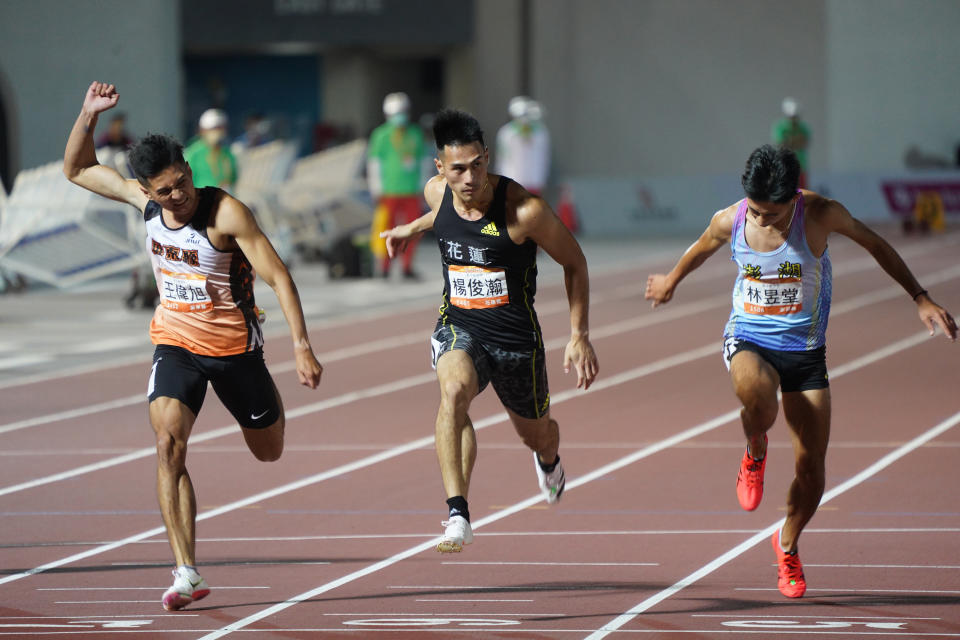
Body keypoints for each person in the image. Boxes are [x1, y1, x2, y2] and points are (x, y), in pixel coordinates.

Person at [645, 144, 956, 598]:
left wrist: (921, 297)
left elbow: (876, 244)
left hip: (806, 351)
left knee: (812, 472)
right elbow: (702, 248)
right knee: (757, 395)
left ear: (794, 198)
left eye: (773, 213)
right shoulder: (731, 219)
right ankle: (755, 447)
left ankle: (786, 542)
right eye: (757, 211)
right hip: (749, 337)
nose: (763, 220)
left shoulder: (821, 214)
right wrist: (671, 280)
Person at [63, 82, 323, 611]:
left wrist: (301, 346)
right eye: (165, 191)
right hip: (175, 344)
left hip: (235, 352)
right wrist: (88, 116)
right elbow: (77, 169)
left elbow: (279, 277)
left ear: (188, 166)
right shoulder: (145, 203)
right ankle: (186, 571)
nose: (177, 195)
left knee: (268, 450)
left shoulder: (226, 215)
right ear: (147, 190)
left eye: (182, 182)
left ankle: (266, 406)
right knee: (167, 446)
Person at [380, 109, 599, 552]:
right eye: (457, 169)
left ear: (487, 157)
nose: (469, 178)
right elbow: (444, 216)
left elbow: (574, 262)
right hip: (460, 325)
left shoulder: (525, 211)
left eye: (477, 164)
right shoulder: (435, 192)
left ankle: (549, 459)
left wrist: (578, 334)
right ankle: (457, 514)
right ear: (440, 168)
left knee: (536, 434)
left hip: (516, 340)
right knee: (454, 391)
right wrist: (410, 227)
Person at [367, 92, 428, 279]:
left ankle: (407, 266)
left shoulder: (415, 133)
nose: (399, 116)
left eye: (402, 112)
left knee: (413, 231)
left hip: (411, 191)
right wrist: (375, 187)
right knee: (386, 230)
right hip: (388, 192)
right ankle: (384, 267)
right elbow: (374, 164)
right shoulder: (381, 135)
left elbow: (424, 161)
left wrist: (424, 186)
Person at [495, 96, 551, 196]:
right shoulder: (507, 133)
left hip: (534, 180)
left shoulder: (540, 133)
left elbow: (544, 157)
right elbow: (503, 158)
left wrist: (541, 179)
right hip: (513, 179)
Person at [184, 108, 238, 191]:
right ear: (202, 130)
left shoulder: (228, 153)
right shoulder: (193, 153)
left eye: (220, 128)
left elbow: (233, 179)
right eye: (213, 129)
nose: (217, 132)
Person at [771, 97, 811, 188]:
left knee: (802, 193)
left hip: (801, 166)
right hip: (785, 167)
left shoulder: (803, 127)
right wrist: (795, 142)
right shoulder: (780, 127)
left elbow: (803, 143)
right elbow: (781, 144)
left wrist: (790, 142)